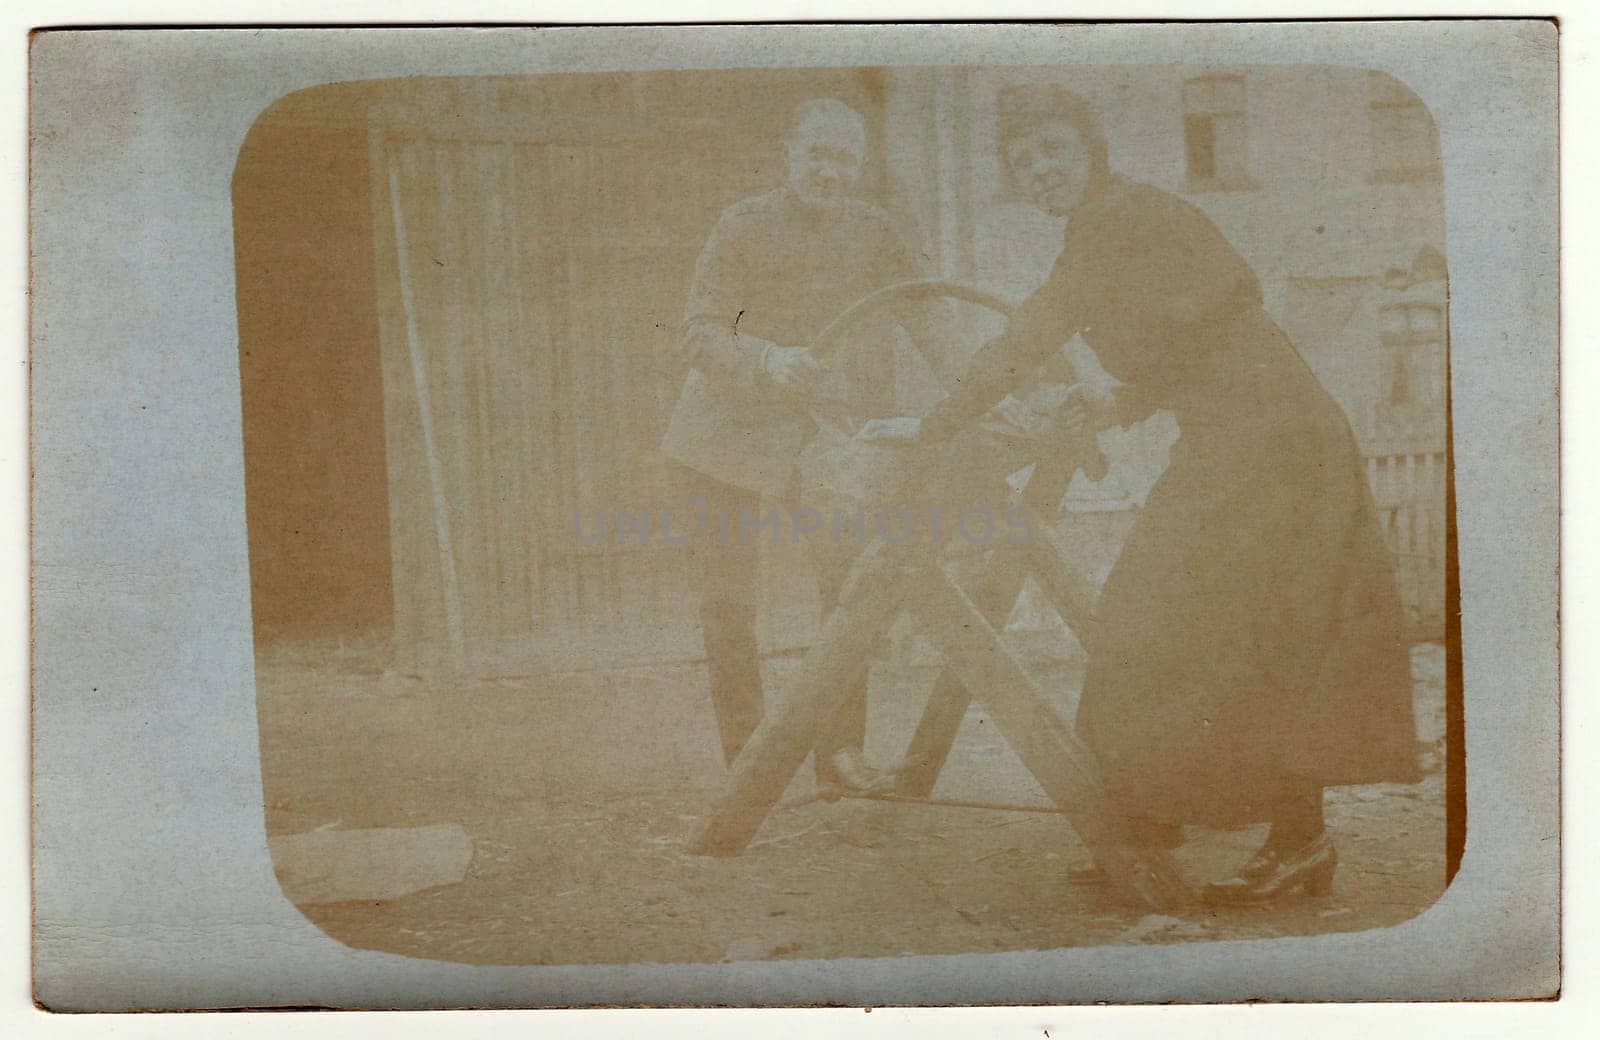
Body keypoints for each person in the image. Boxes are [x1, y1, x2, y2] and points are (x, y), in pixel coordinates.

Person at [861, 83, 1420, 903]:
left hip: (1269, 445)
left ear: (1088, 149)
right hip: (1251, 437)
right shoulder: (1115, 223)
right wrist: (1126, 400)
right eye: (1024, 163)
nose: (1041, 170)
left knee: (1194, 622)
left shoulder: (1114, 219)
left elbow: (1039, 331)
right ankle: (1172, 819)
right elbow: (1190, 337)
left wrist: (933, 424)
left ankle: (1258, 836)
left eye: (1053, 149)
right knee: (1210, 627)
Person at [661, 98, 963, 788]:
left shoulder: (875, 231)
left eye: (845, 158)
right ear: (788, 155)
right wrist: (768, 358)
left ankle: (840, 758)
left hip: (815, 437)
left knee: (849, 584)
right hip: (720, 438)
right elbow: (699, 332)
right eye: (817, 155)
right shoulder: (742, 225)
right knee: (730, 605)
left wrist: (978, 389)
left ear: (860, 166)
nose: (831, 171)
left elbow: (929, 317)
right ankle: (747, 767)